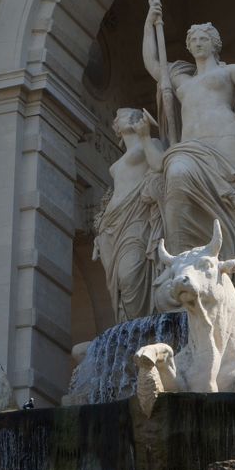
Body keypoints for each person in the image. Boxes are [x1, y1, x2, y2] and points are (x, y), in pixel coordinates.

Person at [142, 3, 235, 298]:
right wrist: (150, 22)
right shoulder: (181, 80)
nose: (198, 44)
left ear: (215, 44)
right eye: (193, 40)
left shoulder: (226, 72)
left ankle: (226, 262)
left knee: (229, 202)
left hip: (226, 142)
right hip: (190, 147)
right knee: (176, 175)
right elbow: (152, 63)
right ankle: (179, 260)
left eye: (204, 39)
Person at [92, 109, 165, 321]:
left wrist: (144, 137)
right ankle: (126, 324)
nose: (115, 118)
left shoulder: (151, 143)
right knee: (117, 286)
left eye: (121, 115)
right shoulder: (123, 157)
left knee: (129, 276)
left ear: (137, 120)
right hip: (110, 225)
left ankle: (141, 329)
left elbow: (159, 165)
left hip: (136, 217)